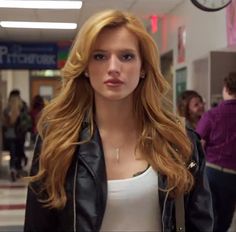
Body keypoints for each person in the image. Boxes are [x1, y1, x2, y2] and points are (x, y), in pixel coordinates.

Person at [24, 9, 213, 232]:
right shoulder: (57, 140)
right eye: (100, 56)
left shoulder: (179, 141)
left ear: (143, 67)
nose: (113, 68)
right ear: (85, 67)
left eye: (126, 56)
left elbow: (199, 224)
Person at [196, 72, 236, 232]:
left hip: (211, 171)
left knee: (207, 216)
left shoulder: (212, 114)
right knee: (225, 220)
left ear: (225, 88)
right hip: (233, 175)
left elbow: (198, 146)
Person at [2, 92, 24, 181]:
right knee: (18, 154)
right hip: (19, 136)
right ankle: (17, 170)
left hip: (9, 136)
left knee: (13, 154)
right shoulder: (20, 110)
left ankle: (12, 169)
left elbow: (4, 124)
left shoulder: (6, 110)